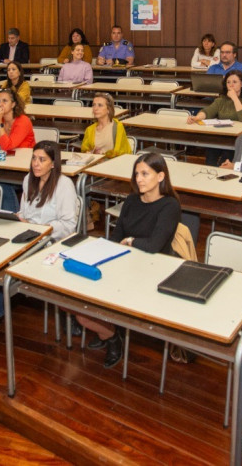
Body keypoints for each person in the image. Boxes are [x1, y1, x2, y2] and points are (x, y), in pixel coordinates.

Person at [77, 153, 181, 368]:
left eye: (145, 174)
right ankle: (108, 331)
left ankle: (112, 336)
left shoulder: (170, 206)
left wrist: (132, 241)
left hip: (154, 266)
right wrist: (108, 252)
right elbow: (117, 236)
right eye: (137, 174)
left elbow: (154, 246)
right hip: (127, 259)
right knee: (85, 289)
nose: (139, 179)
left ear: (161, 176)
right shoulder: (132, 200)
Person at [0, 141, 75, 335]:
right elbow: (24, 211)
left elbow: (68, 226)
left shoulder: (64, 185)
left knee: (4, 260)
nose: (36, 163)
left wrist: (40, 228)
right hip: (27, 232)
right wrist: (19, 217)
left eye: (42, 159)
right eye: (34, 158)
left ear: (53, 163)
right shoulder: (29, 179)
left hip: (49, 240)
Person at [187, 69, 242, 166]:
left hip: (239, 138)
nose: (231, 85)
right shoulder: (222, 99)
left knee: (226, 157)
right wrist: (197, 117)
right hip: (223, 135)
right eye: (228, 82)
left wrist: (235, 98)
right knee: (211, 151)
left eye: (235, 82)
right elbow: (209, 111)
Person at [0, 88, 35, 152]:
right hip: (6, 158)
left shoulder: (23, 121)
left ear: (13, 104)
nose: (0, 104)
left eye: (4, 101)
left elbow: (7, 146)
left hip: (24, 158)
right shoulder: (0, 119)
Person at [82, 92, 132, 158]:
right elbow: (85, 150)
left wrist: (104, 155)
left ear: (108, 109)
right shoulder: (90, 130)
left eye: (100, 105)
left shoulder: (117, 127)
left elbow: (120, 152)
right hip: (95, 164)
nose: (95, 108)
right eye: (94, 105)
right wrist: (91, 152)